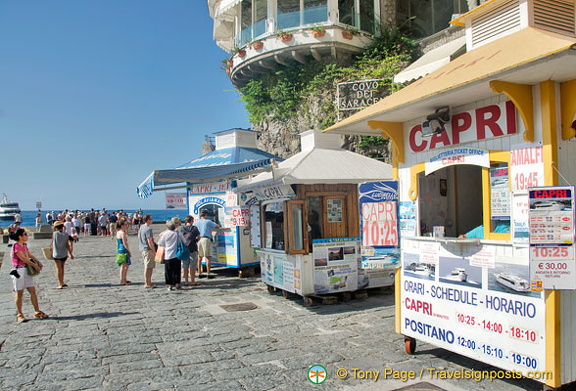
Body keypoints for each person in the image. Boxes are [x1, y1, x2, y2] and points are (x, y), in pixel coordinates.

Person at [9, 228, 48, 323]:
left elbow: (29, 255)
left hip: (26, 271)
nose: (27, 236)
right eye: (25, 234)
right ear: (20, 237)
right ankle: (20, 314)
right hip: (19, 271)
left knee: (32, 291)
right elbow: (23, 258)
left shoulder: (24, 245)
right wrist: (34, 265)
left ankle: (37, 311)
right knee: (19, 293)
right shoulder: (16, 246)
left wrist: (38, 262)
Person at [157, 218, 183, 291]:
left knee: (168, 271)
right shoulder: (178, 233)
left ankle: (170, 285)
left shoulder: (165, 234)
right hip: (176, 254)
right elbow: (183, 241)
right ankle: (177, 283)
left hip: (168, 254)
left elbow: (160, 243)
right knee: (177, 270)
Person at [194, 211, 220, 279]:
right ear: (206, 215)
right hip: (206, 239)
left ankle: (200, 273)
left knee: (199, 257)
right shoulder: (208, 221)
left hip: (198, 239)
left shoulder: (196, 222)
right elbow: (217, 226)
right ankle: (208, 273)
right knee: (208, 257)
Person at [51, 221, 74, 289]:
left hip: (56, 254)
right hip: (64, 253)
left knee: (58, 268)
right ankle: (62, 281)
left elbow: (52, 242)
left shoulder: (54, 234)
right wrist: (71, 253)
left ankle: (60, 283)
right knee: (62, 268)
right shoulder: (66, 234)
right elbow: (67, 244)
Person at [181, 215, 200, 286]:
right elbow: (199, 237)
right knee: (193, 265)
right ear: (192, 221)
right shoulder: (194, 228)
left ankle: (186, 281)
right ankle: (193, 280)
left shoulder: (182, 228)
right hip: (193, 247)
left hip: (185, 248)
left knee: (185, 265)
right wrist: (195, 241)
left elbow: (181, 238)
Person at [138, 214, 157, 288]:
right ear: (148, 220)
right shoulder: (148, 229)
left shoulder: (141, 227)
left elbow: (139, 237)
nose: (152, 220)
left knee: (149, 266)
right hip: (148, 249)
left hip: (143, 248)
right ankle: (147, 282)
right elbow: (149, 241)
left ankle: (149, 281)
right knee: (148, 266)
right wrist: (154, 250)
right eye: (151, 219)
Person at [116, 219, 132, 285]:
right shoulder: (122, 233)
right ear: (122, 226)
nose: (126, 226)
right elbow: (125, 243)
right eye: (125, 225)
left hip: (119, 249)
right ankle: (122, 280)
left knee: (125, 266)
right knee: (124, 266)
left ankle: (124, 278)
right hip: (123, 250)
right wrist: (129, 251)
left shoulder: (118, 232)